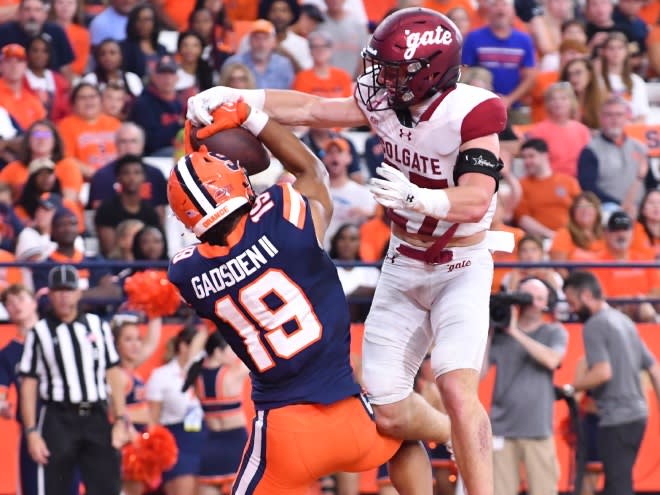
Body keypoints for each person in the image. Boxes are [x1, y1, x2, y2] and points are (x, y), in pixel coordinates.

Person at [186, 7, 508, 494]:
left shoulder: (472, 112)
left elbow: (478, 197)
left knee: (457, 391)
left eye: (394, 68)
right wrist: (242, 99)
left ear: (428, 72)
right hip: (403, 261)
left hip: (461, 264)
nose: (380, 76)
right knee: (389, 413)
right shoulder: (385, 99)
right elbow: (315, 110)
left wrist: (424, 199)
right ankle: (453, 440)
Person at [168, 100, 420, 492]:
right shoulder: (284, 214)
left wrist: (200, 168)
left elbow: (219, 235)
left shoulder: (185, 272)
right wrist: (253, 118)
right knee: (405, 443)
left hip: (283, 432)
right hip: (349, 415)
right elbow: (311, 172)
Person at [17, 265, 132, 495]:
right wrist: (31, 432)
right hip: (58, 419)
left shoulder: (97, 326)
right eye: (58, 291)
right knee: (55, 487)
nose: (63, 296)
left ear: (79, 293)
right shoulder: (39, 332)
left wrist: (120, 419)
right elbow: (29, 384)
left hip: (96, 416)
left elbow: (113, 373)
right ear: (49, 295)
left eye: (68, 290)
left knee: (107, 487)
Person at [562, 270, 660, 495]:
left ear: (586, 295)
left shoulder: (595, 324)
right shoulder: (623, 320)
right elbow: (654, 369)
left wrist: (571, 387)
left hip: (616, 418)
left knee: (617, 486)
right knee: (617, 482)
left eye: (572, 302)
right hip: (638, 417)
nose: (572, 308)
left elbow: (602, 372)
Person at [486, 277, 568, 495]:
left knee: (544, 490)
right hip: (501, 427)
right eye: (528, 297)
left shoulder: (554, 332)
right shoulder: (500, 334)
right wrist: (489, 331)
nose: (533, 303)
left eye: (539, 298)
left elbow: (552, 360)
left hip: (538, 428)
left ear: (546, 302)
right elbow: (480, 372)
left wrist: (515, 332)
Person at [146, 326, 206, 495]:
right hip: (177, 443)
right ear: (183, 347)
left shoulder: (204, 373)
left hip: (203, 440)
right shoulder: (161, 375)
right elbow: (153, 420)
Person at [194, 332, 249, 495]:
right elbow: (255, 355)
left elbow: (193, 353)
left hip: (209, 445)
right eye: (231, 349)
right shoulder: (233, 374)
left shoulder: (196, 376)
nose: (234, 355)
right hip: (236, 444)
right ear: (217, 352)